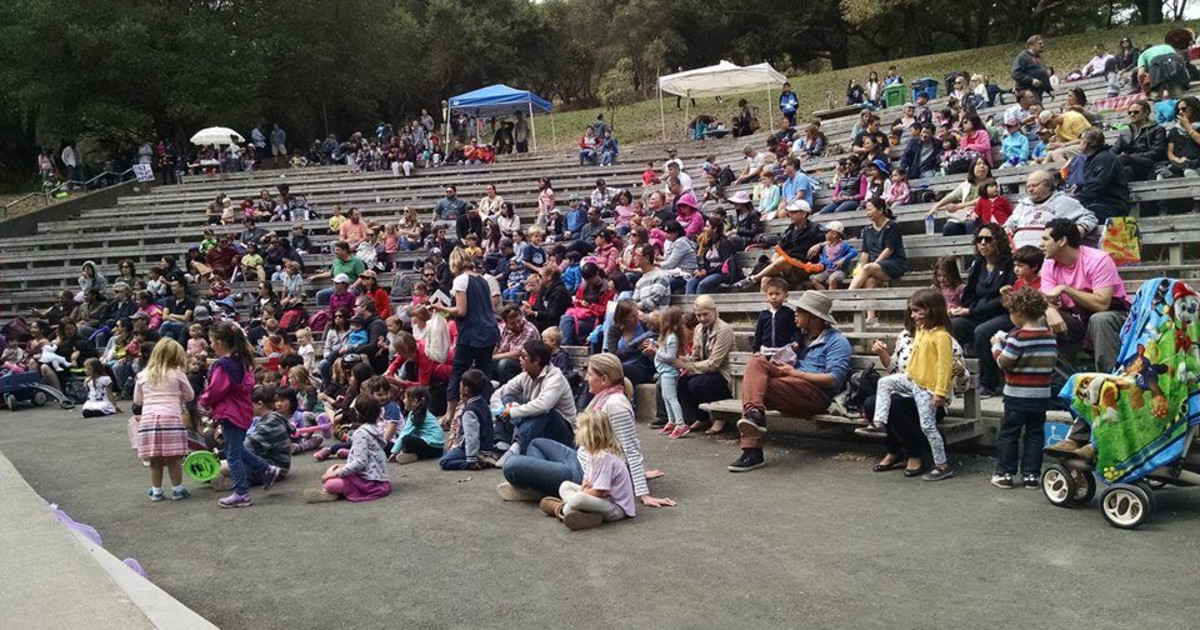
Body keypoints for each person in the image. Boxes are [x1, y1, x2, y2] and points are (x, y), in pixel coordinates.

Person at [497, 353, 675, 508]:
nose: (585, 378)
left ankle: (548, 488)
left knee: (511, 465)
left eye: (589, 374)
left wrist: (643, 494)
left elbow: (630, 448)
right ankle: (543, 487)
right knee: (537, 444)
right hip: (578, 457)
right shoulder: (603, 397)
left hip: (584, 473)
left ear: (604, 379)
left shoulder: (616, 405)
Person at [730, 292, 852, 472]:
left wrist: (796, 373)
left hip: (815, 394)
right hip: (791, 385)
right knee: (756, 363)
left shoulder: (837, 341)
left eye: (800, 311)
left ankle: (752, 448)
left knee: (755, 387)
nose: (795, 314)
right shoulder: (801, 337)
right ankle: (754, 416)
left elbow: (833, 379)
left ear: (814, 317)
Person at [862, 289, 956, 481]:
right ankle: (879, 422)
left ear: (931, 310)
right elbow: (911, 359)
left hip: (927, 389)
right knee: (884, 383)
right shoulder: (919, 331)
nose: (913, 316)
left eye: (917, 311)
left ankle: (942, 464)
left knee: (928, 427)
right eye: (911, 311)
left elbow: (945, 367)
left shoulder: (942, 336)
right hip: (913, 381)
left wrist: (940, 392)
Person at [200, 323, 282, 508]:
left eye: (212, 341)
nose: (211, 345)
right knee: (236, 449)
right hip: (241, 411)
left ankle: (241, 493)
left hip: (231, 412)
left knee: (232, 455)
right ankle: (267, 468)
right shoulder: (241, 361)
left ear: (220, 342)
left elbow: (216, 389)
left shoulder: (224, 365)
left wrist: (204, 400)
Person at [1040, 218, 1128, 375]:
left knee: (1100, 320)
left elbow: (1102, 305)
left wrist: (1066, 289)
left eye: (1046, 239)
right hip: (1077, 317)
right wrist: (1050, 311)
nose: (1041, 245)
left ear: (1062, 241)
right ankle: (1062, 384)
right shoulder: (1049, 264)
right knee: (1040, 319)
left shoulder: (1098, 260)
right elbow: (1046, 299)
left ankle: (1110, 383)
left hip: (1114, 314)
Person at [989, 288, 1056, 489]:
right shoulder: (1049, 336)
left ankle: (1005, 474)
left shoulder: (1019, 337)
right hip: (1041, 394)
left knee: (1010, 433)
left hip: (1017, 395)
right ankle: (1031, 475)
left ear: (1019, 313)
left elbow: (1005, 362)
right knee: (1035, 433)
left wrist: (995, 347)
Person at [537, 409, 637, 531]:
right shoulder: (592, 453)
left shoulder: (605, 458)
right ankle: (586, 515)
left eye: (578, 429)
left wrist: (582, 493)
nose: (575, 431)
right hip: (600, 499)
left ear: (589, 434)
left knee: (578, 498)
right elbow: (587, 478)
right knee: (565, 486)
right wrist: (585, 486)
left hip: (616, 508)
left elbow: (599, 492)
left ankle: (561, 510)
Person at [430, 249, 498, 423]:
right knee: (484, 372)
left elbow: (461, 310)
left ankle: (450, 413)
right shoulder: (482, 279)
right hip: (489, 330)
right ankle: (484, 411)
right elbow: (491, 306)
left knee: (458, 372)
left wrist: (442, 308)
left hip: (471, 333)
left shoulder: (461, 280)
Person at [949, 223, 1016, 397]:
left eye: (988, 239)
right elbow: (970, 294)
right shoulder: (978, 264)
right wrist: (962, 309)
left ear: (998, 241)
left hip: (1004, 314)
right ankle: (956, 379)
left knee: (982, 332)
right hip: (979, 313)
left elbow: (1004, 300)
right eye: (979, 239)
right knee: (955, 325)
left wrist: (971, 312)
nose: (983, 243)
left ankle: (989, 384)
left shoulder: (1010, 264)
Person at [493, 340, 577, 463]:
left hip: (562, 432)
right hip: (535, 424)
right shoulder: (525, 375)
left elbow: (543, 405)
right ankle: (502, 443)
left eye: (524, 356)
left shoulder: (555, 377)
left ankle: (517, 446)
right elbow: (498, 393)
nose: (520, 360)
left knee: (544, 411)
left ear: (536, 360)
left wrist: (514, 412)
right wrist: (501, 409)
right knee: (508, 398)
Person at [132, 340, 193, 501]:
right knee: (174, 457)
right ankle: (178, 489)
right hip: (171, 418)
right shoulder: (177, 373)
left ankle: (156, 491)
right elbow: (190, 395)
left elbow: (138, 400)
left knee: (155, 458)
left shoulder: (143, 375)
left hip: (149, 419)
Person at [305, 394, 392, 503]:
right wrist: (343, 466)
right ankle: (332, 492)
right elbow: (367, 459)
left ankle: (330, 492)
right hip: (380, 480)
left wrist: (337, 473)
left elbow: (361, 462)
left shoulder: (361, 433)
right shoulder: (376, 429)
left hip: (370, 483)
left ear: (357, 413)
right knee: (333, 468)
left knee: (329, 482)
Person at [733, 199, 823, 290]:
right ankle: (764, 303)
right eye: (790, 212)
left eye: (794, 212)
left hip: (804, 269)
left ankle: (753, 279)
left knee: (784, 260)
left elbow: (833, 238)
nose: (790, 214)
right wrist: (773, 263)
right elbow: (779, 249)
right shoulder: (790, 230)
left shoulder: (814, 228)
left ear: (804, 214)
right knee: (765, 279)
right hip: (786, 268)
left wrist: (820, 245)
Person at [848, 198, 908, 326]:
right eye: (866, 210)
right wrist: (860, 270)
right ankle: (871, 317)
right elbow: (865, 253)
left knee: (868, 269)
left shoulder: (892, 226)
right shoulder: (867, 230)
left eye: (870, 209)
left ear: (880, 210)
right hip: (874, 267)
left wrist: (873, 265)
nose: (867, 212)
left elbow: (889, 249)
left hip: (894, 263)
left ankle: (845, 296)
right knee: (869, 281)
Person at [1004, 170, 1099, 249]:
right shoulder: (1022, 205)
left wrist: (1081, 228)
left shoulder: (1063, 201)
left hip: (1047, 255)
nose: (1030, 189)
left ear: (1048, 186)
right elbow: (1010, 223)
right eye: (1028, 186)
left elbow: (1090, 217)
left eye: (1035, 185)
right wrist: (1007, 228)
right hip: (1018, 255)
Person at [1073, 128, 1130, 223]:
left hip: (1112, 206)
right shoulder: (1092, 158)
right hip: (1098, 204)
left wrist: (1074, 200)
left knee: (1073, 216)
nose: (1080, 143)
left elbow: (1096, 186)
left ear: (1088, 143)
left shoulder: (1105, 158)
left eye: (1081, 140)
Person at [928, 157, 991, 236]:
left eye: (984, 164)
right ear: (972, 168)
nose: (982, 166)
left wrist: (958, 206)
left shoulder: (992, 184)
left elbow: (981, 199)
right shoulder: (966, 184)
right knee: (949, 228)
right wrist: (936, 207)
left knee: (970, 224)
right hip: (965, 216)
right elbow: (951, 196)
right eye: (978, 164)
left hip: (983, 217)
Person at [653, 307, 688, 439]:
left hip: (669, 373)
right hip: (663, 372)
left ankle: (681, 424)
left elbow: (671, 357)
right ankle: (672, 421)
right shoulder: (665, 336)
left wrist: (656, 351)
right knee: (666, 398)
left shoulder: (672, 338)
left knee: (672, 398)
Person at [1112, 99, 1165, 182]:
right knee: (1127, 170)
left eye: (1136, 112)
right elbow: (1114, 150)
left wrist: (1131, 157)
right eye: (1130, 112)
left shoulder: (1157, 129)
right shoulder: (1126, 131)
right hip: (1128, 163)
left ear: (1146, 113)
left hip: (1148, 163)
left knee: (1122, 158)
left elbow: (1156, 152)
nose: (1132, 114)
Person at [495, 306, 540, 384]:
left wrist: (494, 357)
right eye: (512, 323)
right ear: (505, 322)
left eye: (519, 321)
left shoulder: (529, 330)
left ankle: (505, 391)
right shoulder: (502, 328)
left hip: (526, 364)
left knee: (505, 363)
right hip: (504, 359)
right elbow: (497, 347)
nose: (517, 325)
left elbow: (517, 354)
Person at [808, 221, 857, 290]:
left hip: (840, 271)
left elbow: (854, 252)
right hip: (828, 271)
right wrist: (820, 264)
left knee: (832, 279)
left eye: (827, 232)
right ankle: (826, 295)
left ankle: (832, 296)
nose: (825, 234)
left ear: (834, 234)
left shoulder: (844, 244)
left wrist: (843, 260)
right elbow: (824, 259)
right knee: (814, 279)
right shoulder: (825, 247)